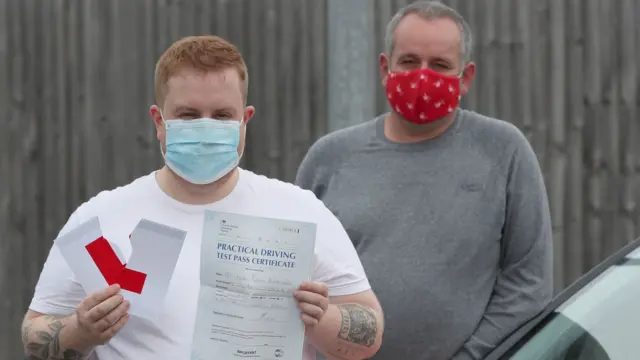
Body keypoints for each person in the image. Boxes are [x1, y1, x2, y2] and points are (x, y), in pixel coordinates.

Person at [21, 35, 383, 360]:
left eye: (222, 115)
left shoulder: (299, 212)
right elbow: (35, 333)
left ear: (245, 120)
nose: (206, 127)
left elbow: (370, 331)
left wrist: (325, 319)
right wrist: (79, 332)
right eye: (189, 115)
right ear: (159, 121)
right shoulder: (100, 220)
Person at [295, 1, 553, 359]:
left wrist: (472, 355)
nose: (422, 76)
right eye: (409, 61)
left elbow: (529, 284)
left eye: (440, 65)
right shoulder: (329, 159)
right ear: (386, 68)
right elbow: (295, 274)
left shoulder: (504, 152)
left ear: (465, 78)